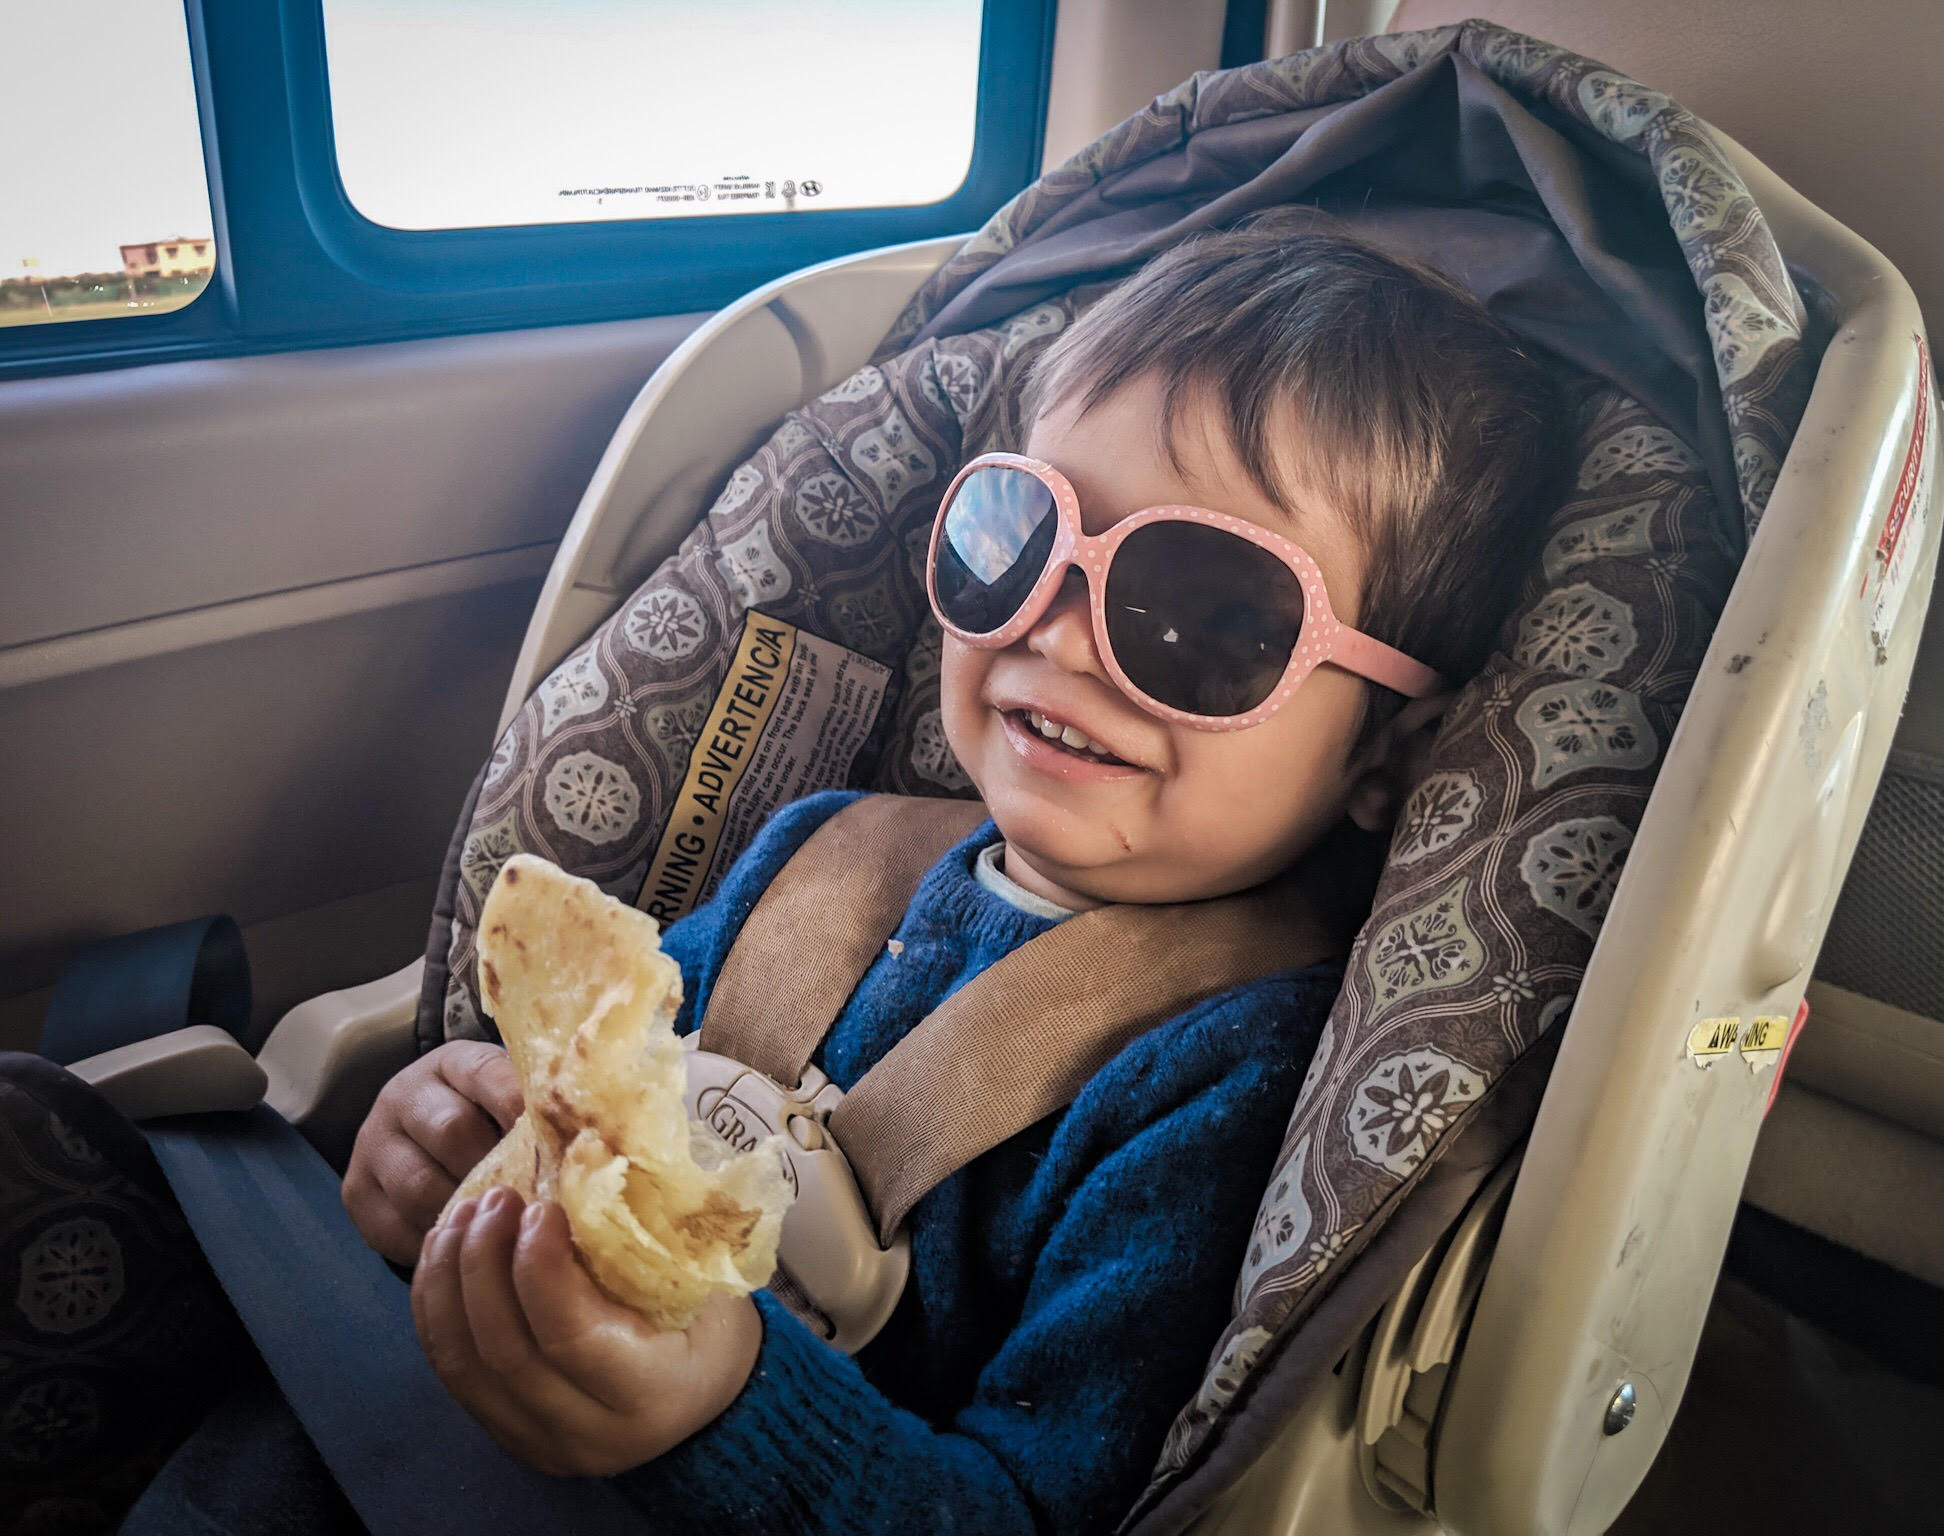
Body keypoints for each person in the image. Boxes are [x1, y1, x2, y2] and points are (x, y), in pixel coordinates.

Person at [7, 212, 1566, 1535]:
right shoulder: (813, 850)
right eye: (1021, 535)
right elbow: (592, 1100)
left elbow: (1032, 1507)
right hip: (365, 1410)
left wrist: (724, 1407)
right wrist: (447, 1136)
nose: (1057, 626)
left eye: (1211, 610)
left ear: (1385, 750)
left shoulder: (1229, 1084)